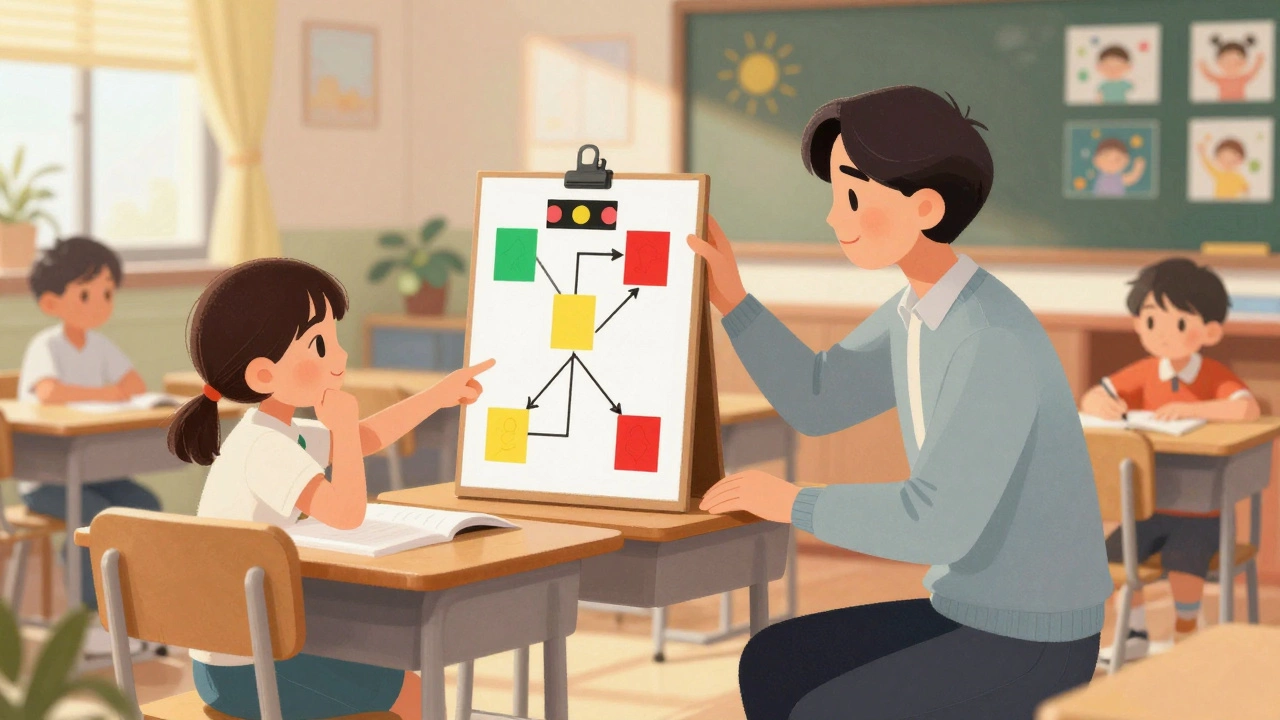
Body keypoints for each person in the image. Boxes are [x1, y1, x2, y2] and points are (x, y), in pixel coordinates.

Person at [686, 86, 1111, 720]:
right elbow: (820, 397)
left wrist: (790, 502)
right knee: (773, 662)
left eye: (852, 196)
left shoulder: (989, 336)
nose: (834, 217)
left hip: (1035, 636)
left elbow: (936, 522)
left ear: (926, 207)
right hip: (967, 609)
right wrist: (734, 301)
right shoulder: (915, 309)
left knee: (822, 708)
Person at [168, 258, 494, 719]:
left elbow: (367, 438)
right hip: (248, 670)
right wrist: (339, 428)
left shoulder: (277, 431)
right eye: (319, 345)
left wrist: (439, 395)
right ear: (263, 375)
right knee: (408, 692)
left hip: (242, 657)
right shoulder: (265, 449)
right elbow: (346, 513)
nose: (338, 358)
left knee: (388, 672)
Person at [1080, 258, 1259, 663]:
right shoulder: (1145, 371)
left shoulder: (1212, 373)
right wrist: (1101, 404)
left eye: (1179, 324)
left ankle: (1185, 633)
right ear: (1137, 324)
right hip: (1149, 509)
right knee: (1115, 556)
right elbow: (1094, 395)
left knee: (1184, 561)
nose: (1163, 335)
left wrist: (1195, 409)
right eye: (1151, 321)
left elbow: (1246, 409)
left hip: (1199, 514)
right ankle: (1136, 631)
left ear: (1210, 331)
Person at [18, 235, 160, 658]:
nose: (98, 303)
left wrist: (109, 393)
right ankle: (86, 622)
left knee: (144, 503)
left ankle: (137, 618)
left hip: (95, 468)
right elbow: (48, 392)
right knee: (95, 516)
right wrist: (104, 393)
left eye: (106, 293)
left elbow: (133, 386)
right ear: (51, 302)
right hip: (46, 478)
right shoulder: (46, 345)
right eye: (85, 293)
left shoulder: (100, 345)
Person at [1198, 35, 1265, 102]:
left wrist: (1258, 62)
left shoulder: (1243, 78)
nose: (1232, 66)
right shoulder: (1221, 79)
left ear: (1244, 63)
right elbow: (1209, 76)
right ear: (1219, 63)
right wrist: (1203, 67)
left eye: (1237, 63)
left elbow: (1253, 72)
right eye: (1227, 63)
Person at [1197, 135, 1250, 200]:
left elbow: (1245, 189)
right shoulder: (1219, 174)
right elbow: (1208, 165)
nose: (1227, 164)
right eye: (1222, 160)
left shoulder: (1239, 177)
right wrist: (1202, 153)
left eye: (1232, 161)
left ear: (1240, 160)